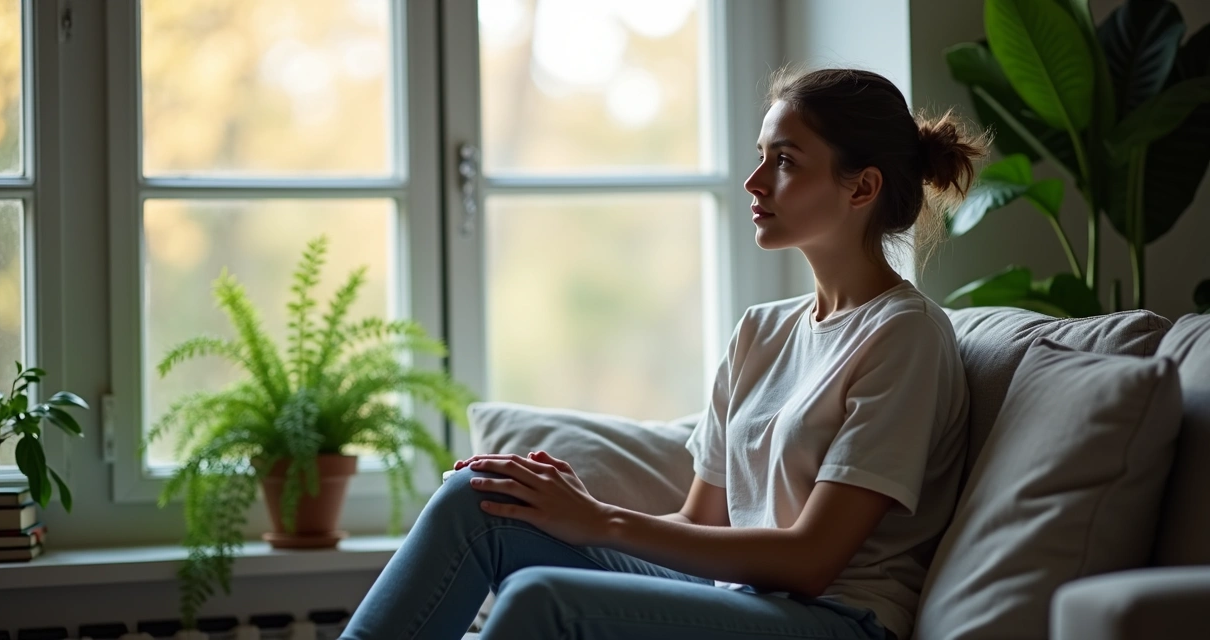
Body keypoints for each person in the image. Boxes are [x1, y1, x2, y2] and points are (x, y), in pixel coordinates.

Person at [341, 67, 985, 640]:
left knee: (544, 598)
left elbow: (811, 561)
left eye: (785, 161)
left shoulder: (904, 335)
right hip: (738, 600)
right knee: (478, 497)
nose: (754, 181)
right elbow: (700, 519)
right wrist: (563, 507)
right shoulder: (761, 331)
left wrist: (599, 520)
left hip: (836, 619)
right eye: (760, 156)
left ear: (861, 188)